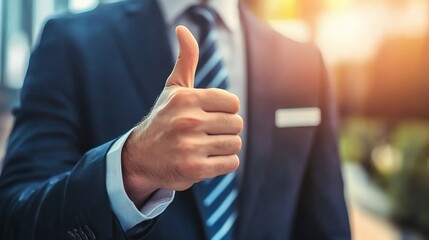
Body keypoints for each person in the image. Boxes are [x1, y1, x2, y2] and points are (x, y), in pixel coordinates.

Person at [0, 0, 351, 239]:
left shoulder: (304, 64)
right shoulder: (70, 43)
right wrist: (130, 167)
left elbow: (326, 225)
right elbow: (15, 217)